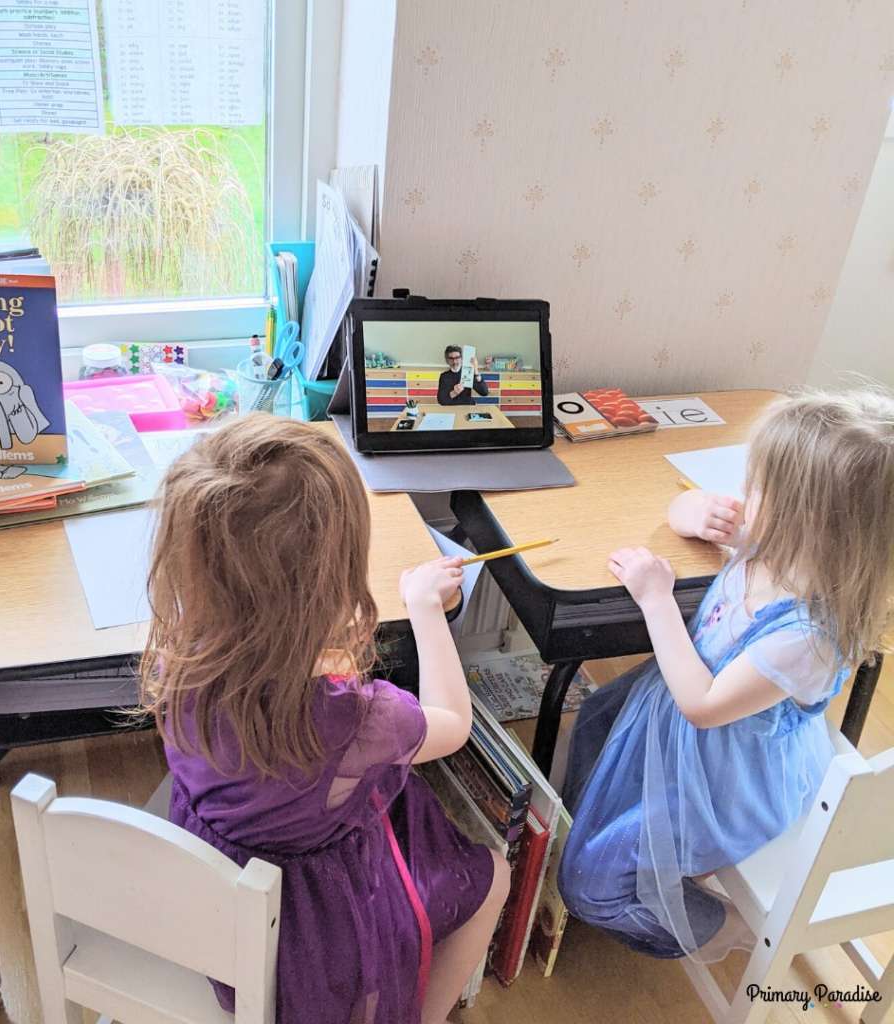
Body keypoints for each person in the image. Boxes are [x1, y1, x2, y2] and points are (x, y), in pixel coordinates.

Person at [141, 414, 510, 1024]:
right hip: (315, 944)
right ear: (330, 580)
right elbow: (453, 720)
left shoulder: (177, 662)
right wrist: (423, 608)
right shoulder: (363, 721)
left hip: (209, 906)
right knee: (491, 874)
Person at [557, 387, 894, 962]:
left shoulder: (810, 635)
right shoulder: (781, 549)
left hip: (725, 775)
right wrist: (692, 512)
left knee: (588, 883)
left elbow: (704, 705)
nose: (744, 495)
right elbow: (688, 515)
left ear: (810, 521)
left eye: (758, 487)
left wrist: (657, 599)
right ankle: (592, 834)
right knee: (592, 718)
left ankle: (726, 926)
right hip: (677, 726)